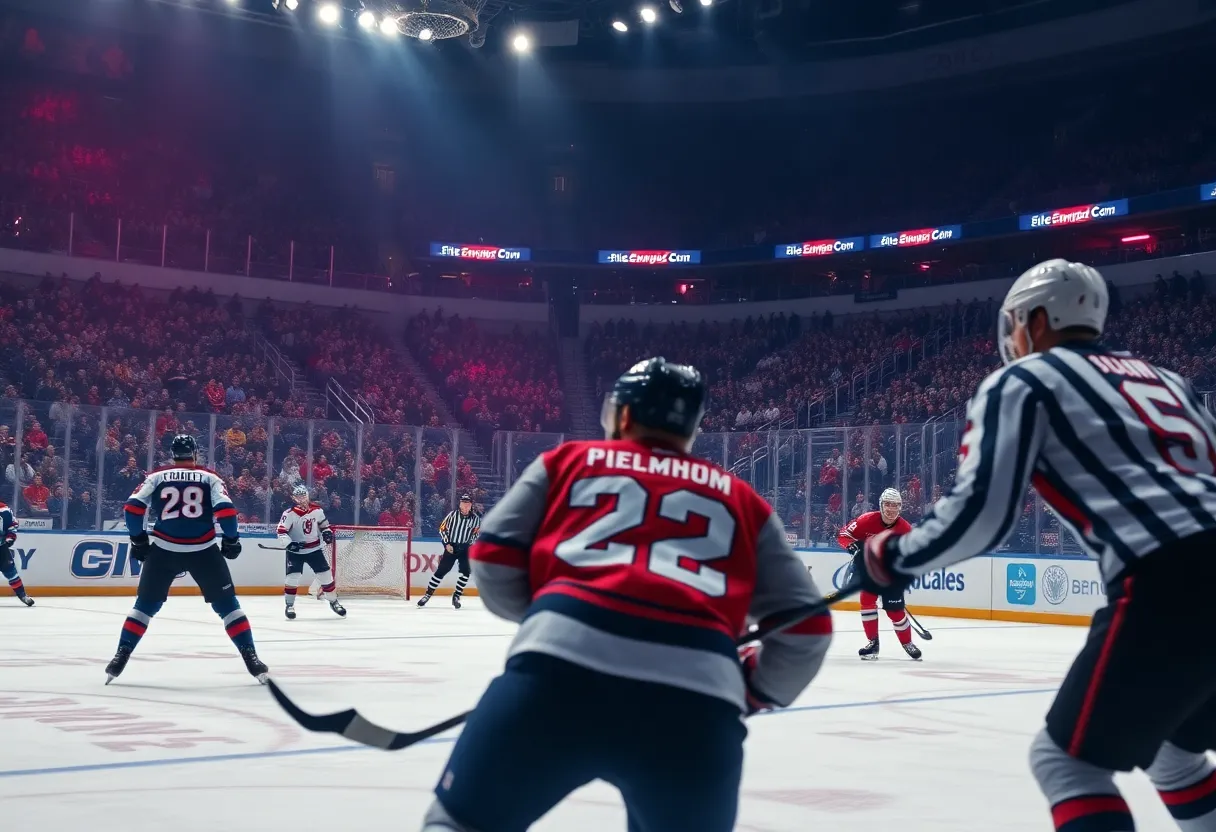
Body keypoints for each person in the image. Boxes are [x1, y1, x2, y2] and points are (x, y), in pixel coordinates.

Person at [858, 259, 1216, 832]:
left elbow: (980, 516)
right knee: (1175, 751)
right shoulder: (1168, 380)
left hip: (1172, 576)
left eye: (1019, 321)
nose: (1013, 336)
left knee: (1065, 763)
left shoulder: (1022, 381)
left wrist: (893, 558)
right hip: (1195, 563)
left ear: (1042, 319)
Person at [420, 357, 833, 832]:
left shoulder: (569, 461)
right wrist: (753, 690)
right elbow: (808, 628)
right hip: (696, 706)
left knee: (457, 823)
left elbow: (491, 558)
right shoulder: (742, 499)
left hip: (556, 674)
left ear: (624, 416)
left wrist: (553, 618)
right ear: (692, 428)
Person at [105, 434, 269, 685]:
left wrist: (138, 539)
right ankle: (251, 658)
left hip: (163, 551)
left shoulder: (156, 476)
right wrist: (231, 539)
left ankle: (121, 654)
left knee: (144, 607)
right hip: (203, 551)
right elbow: (226, 511)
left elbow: (132, 509)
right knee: (228, 607)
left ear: (173, 454)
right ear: (195, 453)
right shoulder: (210, 477)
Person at [838, 488, 919, 660]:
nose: (891, 509)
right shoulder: (866, 520)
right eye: (888, 504)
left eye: (896, 506)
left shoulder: (905, 529)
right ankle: (873, 643)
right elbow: (843, 534)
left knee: (894, 611)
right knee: (867, 602)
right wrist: (851, 546)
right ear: (881, 505)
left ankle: (907, 643)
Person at [279, 484, 345, 620]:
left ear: (308, 496)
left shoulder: (317, 510)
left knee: (326, 576)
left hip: (314, 549)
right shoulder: (289, 514)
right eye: (298, 496)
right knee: (293, 577)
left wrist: (327, 533)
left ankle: (334, 601)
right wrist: (289, 544)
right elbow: (281, 531)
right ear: (293, 498)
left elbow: (324, 526)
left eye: (303, 495)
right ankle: (289, 605)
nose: (302, 499)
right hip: (296, 552)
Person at [417, 494, 480, 610]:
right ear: (460, 504)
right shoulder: (452, 515)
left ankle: (456, 596)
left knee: (466, 572)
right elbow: (442, 529)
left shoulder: (475, 518)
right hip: (452, 547)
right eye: (463, 504)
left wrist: (470, 545)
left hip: (465, 547)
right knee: (441, 572)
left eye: (468, 504)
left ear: (471, 505)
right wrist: (447, 544)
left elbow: (476, 534)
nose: (465, 507)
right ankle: (427, 595)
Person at [0, 500, 33, 606]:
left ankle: (22, 595)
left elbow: (12, 525)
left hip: (1, 548)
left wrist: (10, 538)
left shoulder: (4, 511)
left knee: (11, 572)